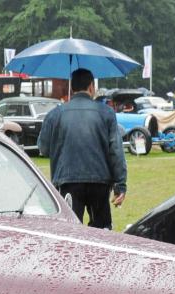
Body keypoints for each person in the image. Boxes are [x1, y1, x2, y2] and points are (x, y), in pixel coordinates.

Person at [37, 67, 127, 229]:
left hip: (67, 181)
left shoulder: (54, 114)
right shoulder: (106, 113)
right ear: (91, 87)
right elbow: (116, 151)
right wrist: (120, 185)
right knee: (101, 232)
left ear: (72, 88)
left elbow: (43, 148)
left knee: (71, 231)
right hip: (100, 182)